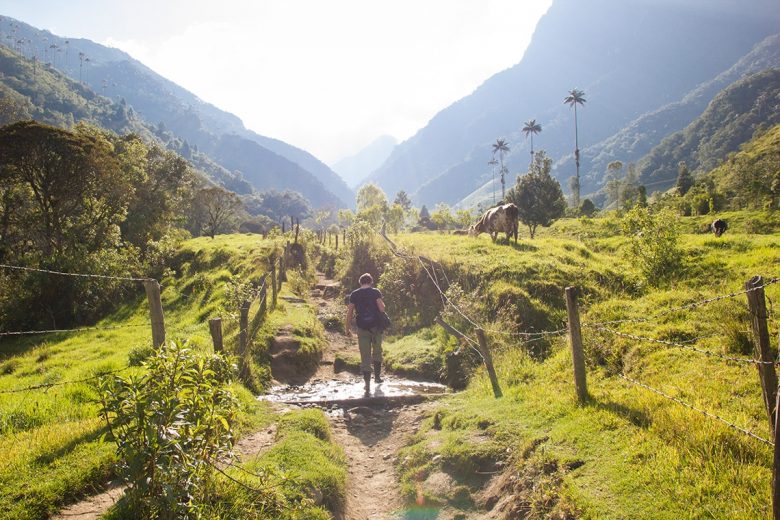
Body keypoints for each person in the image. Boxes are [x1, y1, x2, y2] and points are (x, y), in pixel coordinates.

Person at [345, 273, 386, 395]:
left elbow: (350, 312)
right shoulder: (375, 292)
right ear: (371, 282)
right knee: (377, 351)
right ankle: (377, 378)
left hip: (362, 328)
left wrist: (347, 329)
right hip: (376, 328)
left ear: (360, 282)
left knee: (365, 355)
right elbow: (382, 309)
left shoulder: (354, 294)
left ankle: (367, 385)